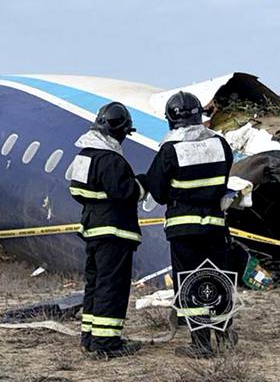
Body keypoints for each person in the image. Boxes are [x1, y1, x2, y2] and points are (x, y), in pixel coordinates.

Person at [140, 91, 237, 359]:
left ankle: (201, 344)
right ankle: (225, 333)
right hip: (216, 226)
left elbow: (158, 192)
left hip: (184, 229)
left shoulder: (170, 149)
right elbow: (223, 180)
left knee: (191, 283)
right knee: (219, 278)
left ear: (171, 119)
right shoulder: (220, 144)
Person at [68, 102, 145, 359]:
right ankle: (107, 342)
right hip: (114, 232)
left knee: (96, 283)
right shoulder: (111, 160)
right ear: (120, 130)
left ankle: (89, 338)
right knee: (112, 285)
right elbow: (125, 192)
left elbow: (76, 191)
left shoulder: (84, 156)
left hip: (92, 230)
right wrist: (142, 184)